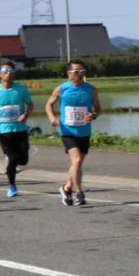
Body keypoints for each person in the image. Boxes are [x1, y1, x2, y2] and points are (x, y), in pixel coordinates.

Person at [45, 59, 103, 205]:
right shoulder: (61, 89)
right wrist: (52, 118)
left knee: (77, 164)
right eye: (76, 72)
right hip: (67, 130)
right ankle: (79, 193)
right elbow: (48, 105)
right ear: (69, 73)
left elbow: (98, 108)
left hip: (84, 131)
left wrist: (94, 115)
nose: (79, 75)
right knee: (76, 160)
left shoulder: (91, 89)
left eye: (82, 72)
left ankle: (67, 187)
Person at [0, 61, 33, 198]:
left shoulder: (21, 89)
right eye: (5, 71)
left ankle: (14, 162)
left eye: (11, 71)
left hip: (20, 129)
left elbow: (30, 104)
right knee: (11, 158)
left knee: (23, 160)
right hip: (4, 130)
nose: (9, 74)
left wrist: (25, 114)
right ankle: (12, 186)